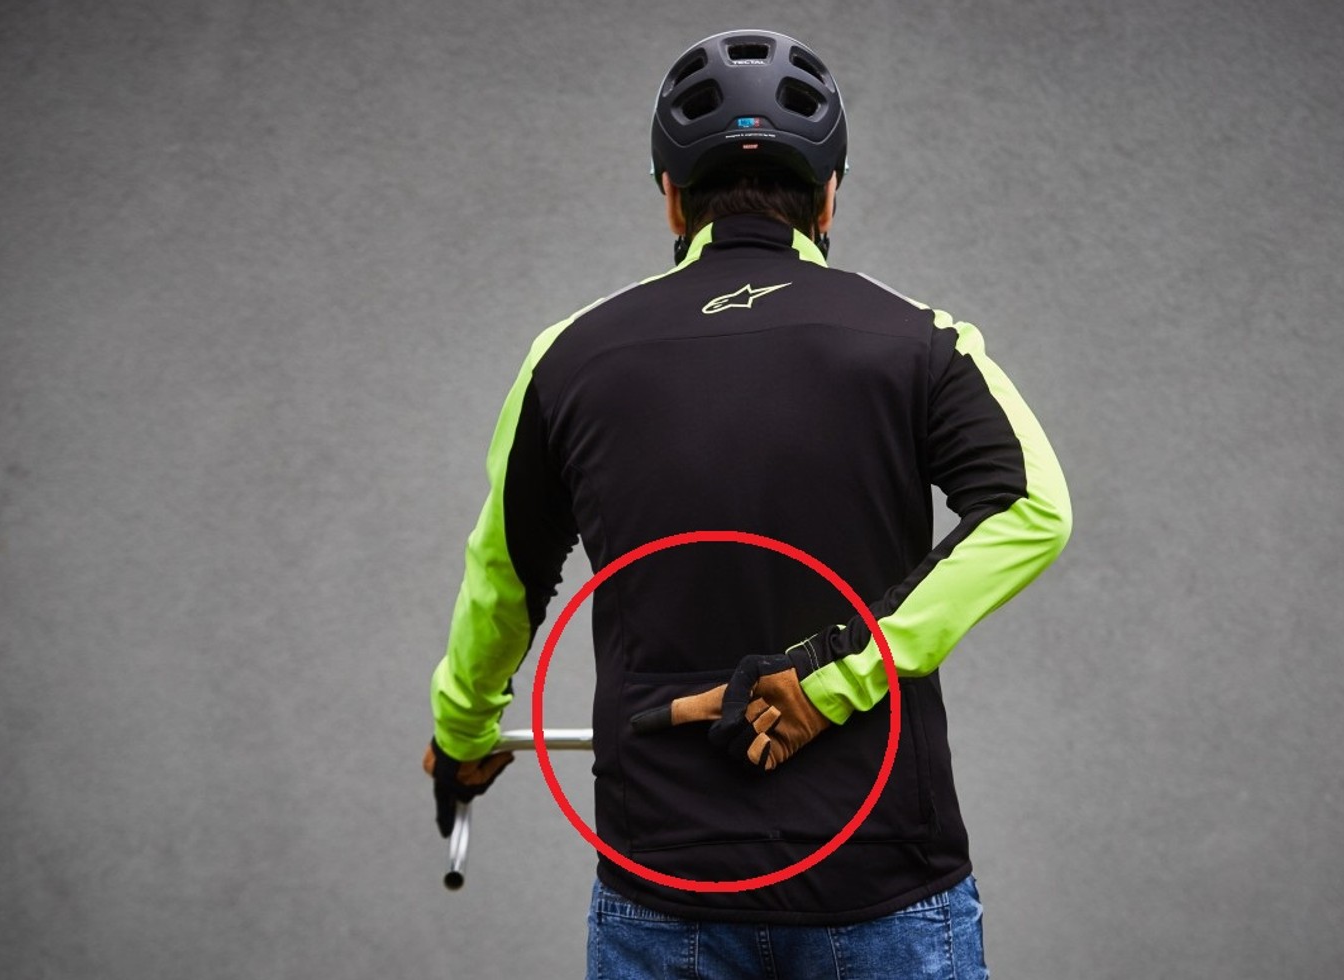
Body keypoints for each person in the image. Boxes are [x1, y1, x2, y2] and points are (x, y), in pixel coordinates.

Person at [423, 29, 1071, 979]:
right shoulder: (921, 343)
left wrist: (463, 731)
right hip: (884, 872)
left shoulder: (568, 359)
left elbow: (505, 579)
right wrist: (840, 676)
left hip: (666, 888)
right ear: (829, 195)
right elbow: (1032, 510)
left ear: (671, 195)